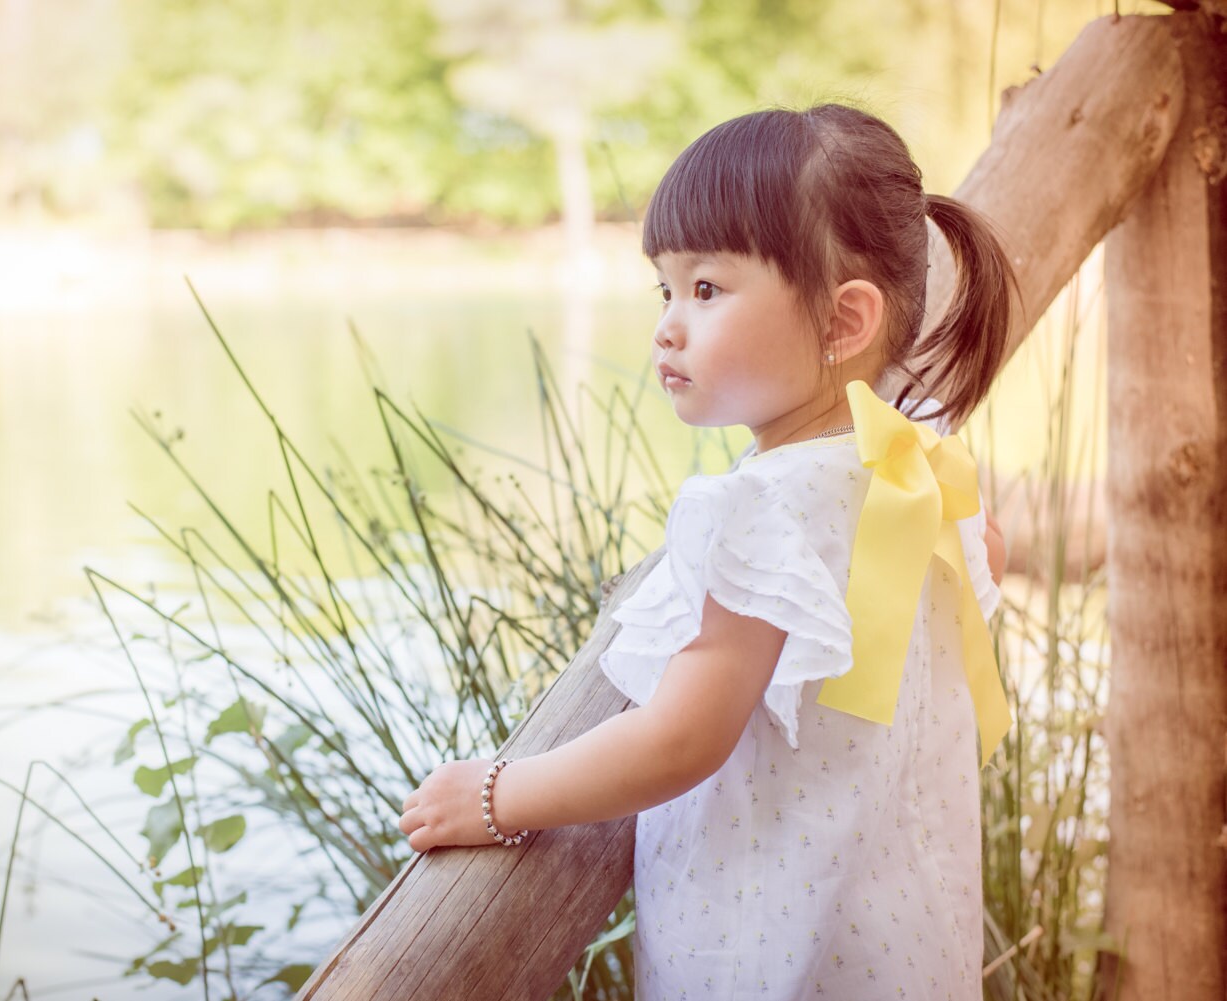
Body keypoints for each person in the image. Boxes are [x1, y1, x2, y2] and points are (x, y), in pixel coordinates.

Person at [397, 102, 1020, 1000]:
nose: (666, 325)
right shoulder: (917, 471)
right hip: (900, 938)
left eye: (708, 290)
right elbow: (987, 550)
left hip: (774, 948)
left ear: (845, 321)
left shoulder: (757, 507)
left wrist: (498, 794)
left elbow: (681, 736)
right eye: (665, 289)